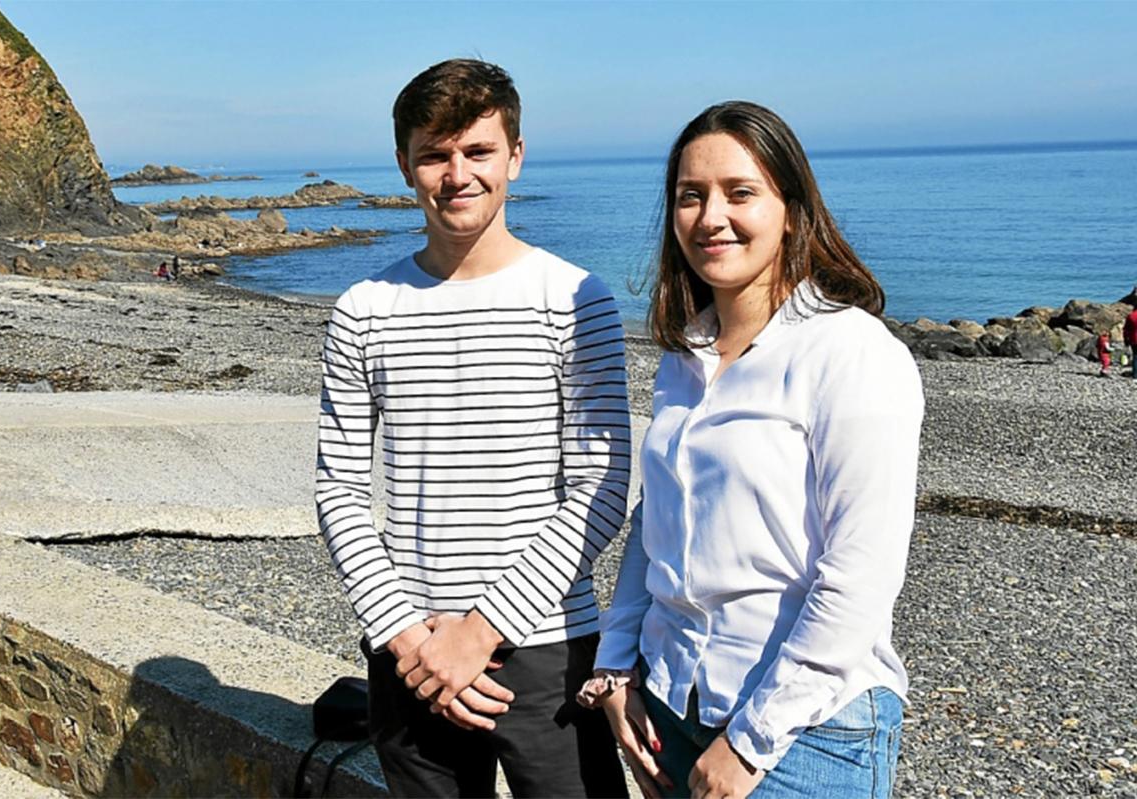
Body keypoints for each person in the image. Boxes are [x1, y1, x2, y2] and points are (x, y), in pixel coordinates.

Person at [579, 101, 924, 799]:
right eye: (690, 196)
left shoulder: (851, 352)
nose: (711, 217)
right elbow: (657, 520)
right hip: (675, 706)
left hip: (804, 732)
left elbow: (861, 575)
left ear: (792, 210)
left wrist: (749, 741)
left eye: (741, 193)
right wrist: (616, 666)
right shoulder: (687, 355)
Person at [314, 59, 629, 798]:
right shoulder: (364, 308)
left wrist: (479, 632)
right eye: (435, 153)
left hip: (547, 646)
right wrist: (409, 637)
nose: (457, 173)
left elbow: (602, 487)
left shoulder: (578, 299)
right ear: (405, 165)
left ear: (514, 156)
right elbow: (338, 489)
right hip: (410, 649)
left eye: (478, 151)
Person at [1124, 306, 1137, 378]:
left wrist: (1126, 339)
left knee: (1135, 356)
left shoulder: (1131, 316)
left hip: (1134, 339)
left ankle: (1135, 374)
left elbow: (1126, 329)